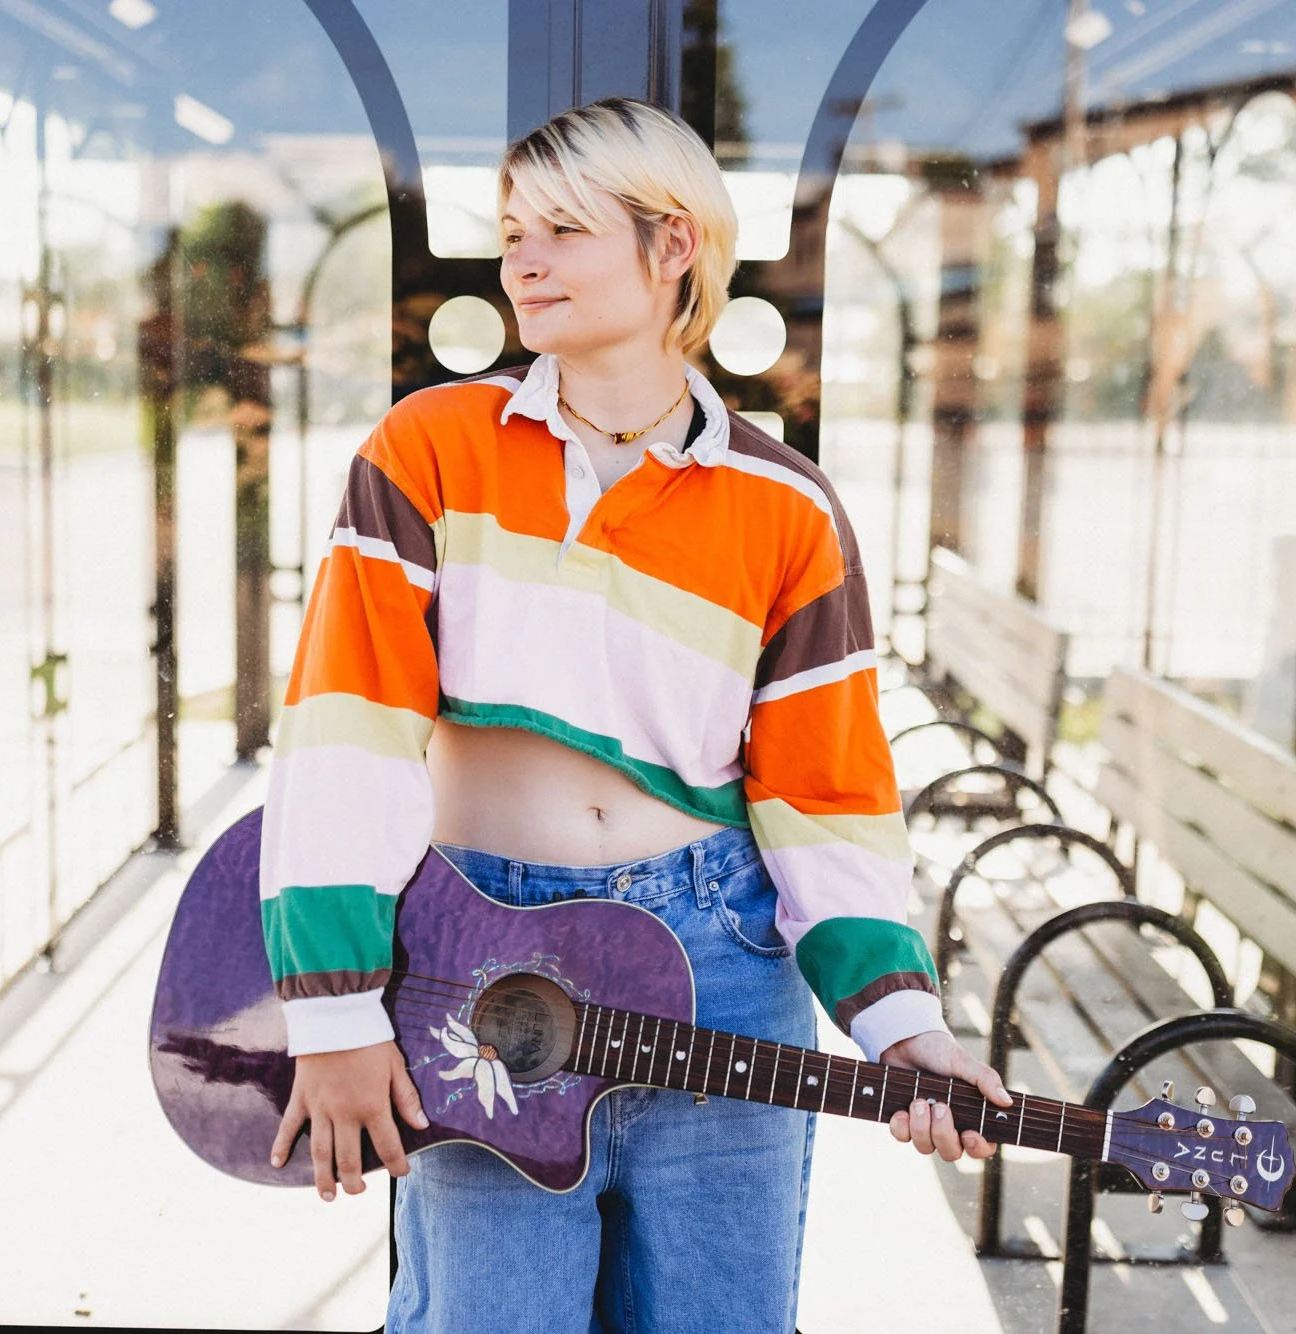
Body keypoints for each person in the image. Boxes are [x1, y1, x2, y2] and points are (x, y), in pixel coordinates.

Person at [260, 95, 1012, 1332]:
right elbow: (347, 731)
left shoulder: (788, 507)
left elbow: (825, 792)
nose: (523, 261)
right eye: (511, 232)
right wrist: (334, 1007)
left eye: (562, 228)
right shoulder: (427, 449)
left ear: (675, 247)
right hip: (475, 977)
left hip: (722, 967)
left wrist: (901, 1020)